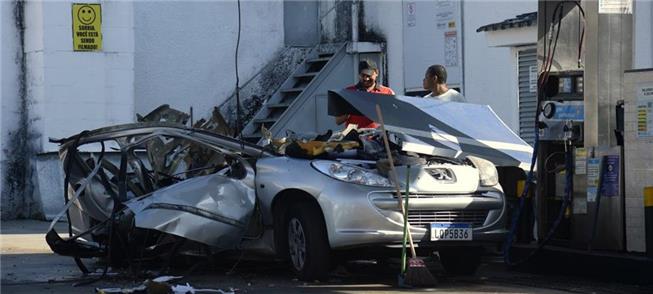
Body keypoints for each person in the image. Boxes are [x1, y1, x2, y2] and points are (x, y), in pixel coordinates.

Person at [335, 60, 395, 128]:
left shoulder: (387, 92)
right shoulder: (348, 92)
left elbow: (395, 119)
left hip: (378, 136)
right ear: (359, 75)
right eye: (363, 75)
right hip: (355, 137)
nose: (366, 78)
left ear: (377, 73)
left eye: (369, 75)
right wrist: (351, 108)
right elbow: (338, 121)